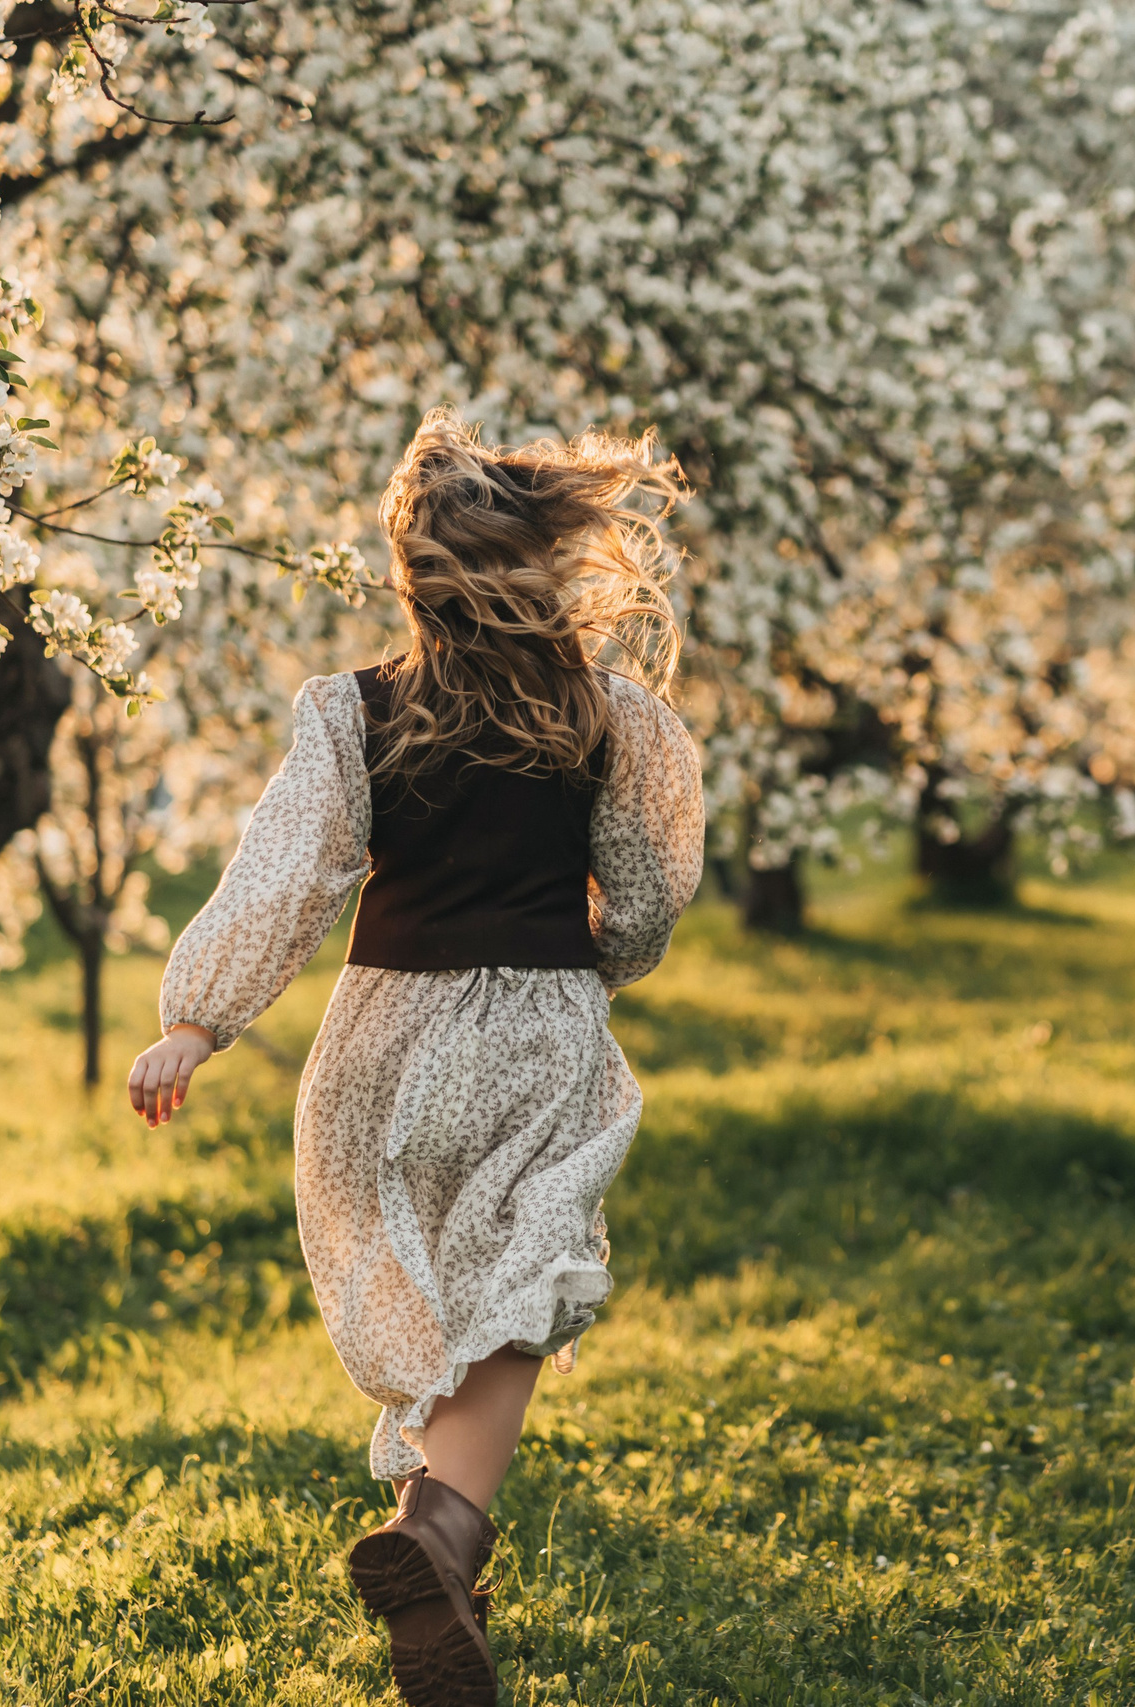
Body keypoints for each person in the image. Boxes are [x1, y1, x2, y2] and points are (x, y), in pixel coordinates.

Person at [125, 410, 703, 1707]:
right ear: (546, 564)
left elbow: (287, 877)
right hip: (536, 1033)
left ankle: (449, 1602)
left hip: (379, 1048)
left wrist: (198, 1017)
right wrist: (598, 965)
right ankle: (443, 1535)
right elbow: (653, 890)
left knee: (433, 1307)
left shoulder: (356, 712)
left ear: (412, 578)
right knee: (517, 1294)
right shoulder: (610, 719)